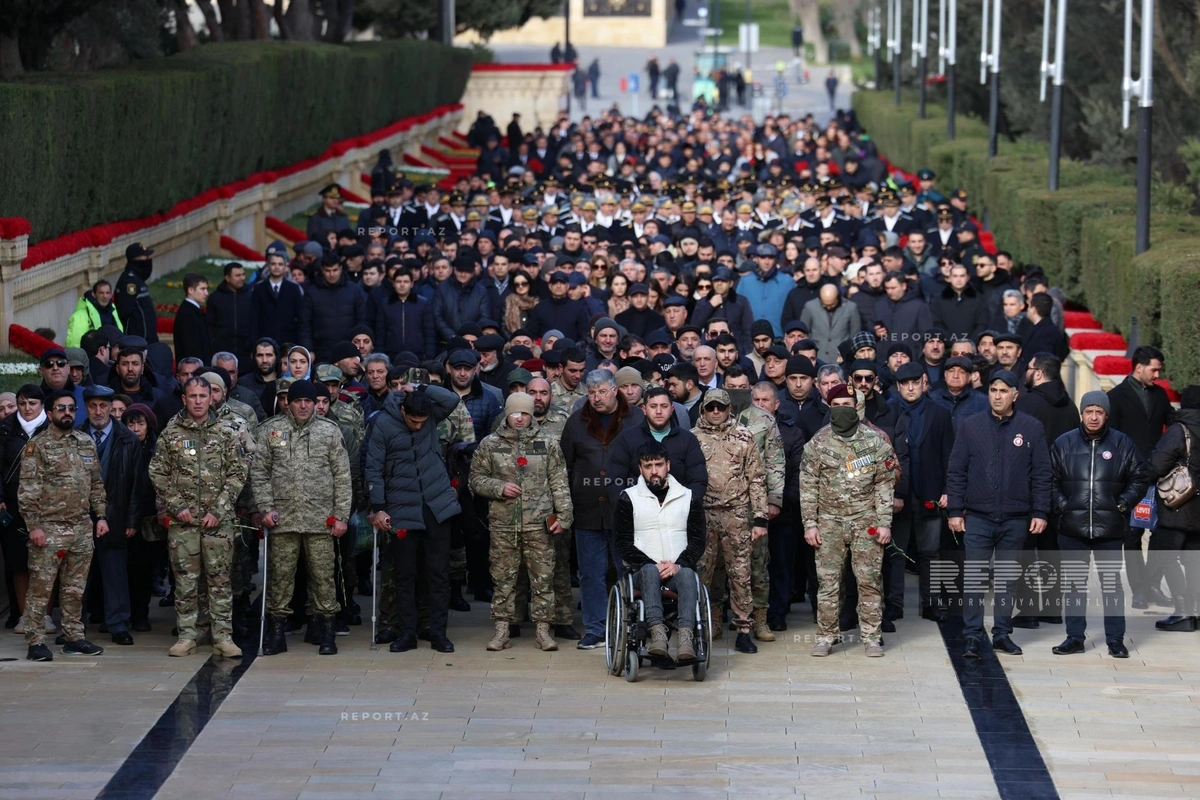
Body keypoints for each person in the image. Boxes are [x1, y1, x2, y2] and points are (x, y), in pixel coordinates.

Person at [946, 370, 1052, 659]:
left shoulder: (1031, 428)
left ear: (1015, 394)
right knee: (974, 578)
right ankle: (972, 635)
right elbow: (957, 471)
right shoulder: (971, 426)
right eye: (993, 390)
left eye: (1004, 391)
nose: (997, 395)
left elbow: (1042, 473)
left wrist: (1040, 510)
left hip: (1016, 517)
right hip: (978, 516)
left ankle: (1002, 634)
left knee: (1007, 579)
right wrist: (955, 509)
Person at [149, 377, 248, 659]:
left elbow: (238, 473)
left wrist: (218, 509)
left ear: (211, 397)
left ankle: (223, 636)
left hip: (219, 522)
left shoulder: (226, 431)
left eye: (203, 396)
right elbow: (158, 472)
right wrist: (176, 505)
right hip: (184, 523)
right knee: (185, 581)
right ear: (184, 399)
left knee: (219, 580)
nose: (198, 401)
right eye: (192, 396)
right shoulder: (171, 433)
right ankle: (187, 635)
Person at [252, 379, 352, 656]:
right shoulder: (272, 431)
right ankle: (275, 635)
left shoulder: (329, 432)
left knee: (323, 578)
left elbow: (343, 477)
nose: (304, 405)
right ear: (288, 403)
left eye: (309, 401)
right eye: (298, 401)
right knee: (280, 579)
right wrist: (265, 507)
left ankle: (326, 633)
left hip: (321, 520)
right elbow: (259, 473)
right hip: (283, 519)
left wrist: (341, 515)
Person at [469, 392, 573, 653]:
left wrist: (564, 516)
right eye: (515, 413)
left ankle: (543, 630)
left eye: (525, 413)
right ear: (507, 414)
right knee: (503, 579)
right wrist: (499, 487)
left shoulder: (547, 443)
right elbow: (476, 479)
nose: (520, 418)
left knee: (543, 579)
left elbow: (559, 482)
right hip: (504, 525)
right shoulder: (490, 444)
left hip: (539, 525)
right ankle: (502, 629)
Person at [363, 387, 462, 654]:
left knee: (439, 574)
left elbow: (452, 399)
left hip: (436, 505)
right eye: (413, 421)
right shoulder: (382, 423)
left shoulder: (429, 414)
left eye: (423, 422)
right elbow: (373, 468)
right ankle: (407, 632)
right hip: (401, 507)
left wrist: (422, 388)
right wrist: (379, 507)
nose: (419, 426)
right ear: (403, 410)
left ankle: (438, 633)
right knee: (404, 574)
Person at [801, 383, 898, 658]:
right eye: (837, 404)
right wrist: (810, 524)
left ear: (857, 406)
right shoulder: (818, 442)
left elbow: (884, 485)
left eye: (848, 403)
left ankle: (871, 637)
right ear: (829, 408)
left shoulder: (875, 441)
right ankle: (826, 636)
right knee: (828, 583)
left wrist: (884, 523)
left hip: (865, 520)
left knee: (869, 581)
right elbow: (808, 485)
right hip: (829, 522)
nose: (843, 408)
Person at [1050, 391, 1147, 657]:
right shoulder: (1064, 443)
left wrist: (1123, 504)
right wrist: (1062, 505)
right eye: (1089, 411)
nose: (1094, 417)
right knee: (1074, 585)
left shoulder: (1122, 443)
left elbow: (1140, 476)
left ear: (1106, 414)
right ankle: (1074, 638)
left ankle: (1115, 639)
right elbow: (1050, 479)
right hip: (1072, 527)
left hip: (1110, 528)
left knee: (1111, 584)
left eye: (1099, 412)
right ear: (1082, 413)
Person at [19, 389, 109, 661]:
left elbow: (95, 482)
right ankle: (35, 641)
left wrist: (101, 515)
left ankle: (74, 636)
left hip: (81, 527)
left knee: (75, 588)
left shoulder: (84, 442)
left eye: (71, 408)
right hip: (49, 528)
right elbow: (28, 490)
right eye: (61, 408)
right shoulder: (38, 446)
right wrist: (34, 526)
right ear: (49, 413)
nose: (67, 413)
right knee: (41, 588)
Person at [560, 369, 645, 649]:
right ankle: (595, 628)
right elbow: (566, 465)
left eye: (602, 392)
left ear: (614, 390)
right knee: (590, 572)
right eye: (591, 392)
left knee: (627, 570)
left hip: (625, 510)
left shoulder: (636, 418)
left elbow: (646, 462)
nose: (596, 398)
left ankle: (631, 624)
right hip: (587, 510)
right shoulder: (576, 422)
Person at [613, 441, 706, 663]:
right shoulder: (628, 497)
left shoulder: (688, 497)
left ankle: (686, 637)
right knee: (649, 571)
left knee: (686, 573)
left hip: (676, 573)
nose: (654, 471)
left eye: (659, 464)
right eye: (648, 466)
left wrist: (678, 564)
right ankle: (657, 633)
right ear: (640, 469)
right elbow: (622, 541)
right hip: (641, 573)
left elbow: (698, 540)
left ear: (668, 465)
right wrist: (652, 565)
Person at [692, 388, 769, 654]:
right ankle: (701, 626)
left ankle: (744, 629)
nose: (716, 412)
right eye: (711, 407)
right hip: (703, 513)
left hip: (737, 513)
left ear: (729, 409)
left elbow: (756, 478)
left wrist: (760, 518)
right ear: (703, 409)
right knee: (703, 571)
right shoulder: (693, 438)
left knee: (740, 573)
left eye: (721, 407)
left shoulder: (744, 436)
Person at [1107, 345, 1173, 610]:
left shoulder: (1160, 395)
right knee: (1132, 535)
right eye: (1154, 369)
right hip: (1129, 478)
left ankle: (1153, 585)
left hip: (1158, 475)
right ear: (1139, 367)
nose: (1157, 374)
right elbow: (1111, 439)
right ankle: (1140, 590)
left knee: (1160, 531)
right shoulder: (1116, 396)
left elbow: (1172, 422)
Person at [78, 384, 143, 646]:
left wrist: (132, 519)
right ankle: (74, 625)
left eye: (103, 406)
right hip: (80, 515)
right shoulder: (76, 434)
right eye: (93, 406)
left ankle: (118, 624)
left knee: (115, 571)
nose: (98, 411)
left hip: (115, 514)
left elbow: (137, 484)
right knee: (77, 574)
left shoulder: (127, 438)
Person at [890, 362, 955, 622]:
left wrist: (948, 490)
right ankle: (894, 604)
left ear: (924, 383)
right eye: (905, 383)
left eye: (915, 382)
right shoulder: (891, 411)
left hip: (930, 493)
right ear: (897, 386)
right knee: (896, 551)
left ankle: (931, 603)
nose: (910, 387)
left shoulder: (940, 414)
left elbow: (949, 455)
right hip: (898, 495)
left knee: (930, 552)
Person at [1145, 385, 1200, 632]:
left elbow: (1157, 464)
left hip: (1178, 505)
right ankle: (1195, 610)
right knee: (1193, 559)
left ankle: (1182, 612)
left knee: (1167, 556)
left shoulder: (1179, 430)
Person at [0, 385, 49, 633]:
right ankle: (25, 615)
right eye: (22, 403)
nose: (27, 409)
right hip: (14, 506)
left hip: (50, 508)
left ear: (42, 405)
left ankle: (47, 616)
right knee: (19, 564)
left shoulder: (52, 427)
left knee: (47, 564)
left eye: (32, 403)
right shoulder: (6, 428)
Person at [300, 257, 368, 362]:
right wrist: (308, 349)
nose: (332, 274)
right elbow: (304, 323)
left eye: (335, 270)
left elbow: (362, 320)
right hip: (321, 351)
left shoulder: (354, 290)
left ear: (340, 269)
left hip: (348, 350)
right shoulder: (312, 293)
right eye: (328, 270)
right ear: (322, 270)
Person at [250, 243, 305, 347]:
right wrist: (254, 344)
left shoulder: (294, 289)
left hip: (288, 342)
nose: (276, 267)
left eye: (280, 264)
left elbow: (301, 319)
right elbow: (254, 319)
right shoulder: (258, 289)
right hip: (264, 343)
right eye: (273, 264)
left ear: (286, 267)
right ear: (268, 265)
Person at [206, 262, 254, 366]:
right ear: (227, 278)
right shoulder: (215, 298)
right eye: (238, 275)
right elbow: (210, 325)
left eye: (243, 274)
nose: (242, 278)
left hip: (247, 353)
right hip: (222, 353)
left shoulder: (251, 296)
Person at [114, 242, 158, 344]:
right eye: (145, 256)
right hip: (138, 341)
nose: (148, 259)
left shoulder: (138, 279)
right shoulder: (129, 281)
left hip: (147, 338)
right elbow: (125, 311)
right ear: (135, 259)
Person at [66, 280, 123, 348]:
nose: (105, 296)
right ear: (94, 294)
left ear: (111, 295)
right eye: (101, 293)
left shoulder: (112, 309)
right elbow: (75, 343)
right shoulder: (81, 314)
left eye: (107, 293)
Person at [172, 272, 213, 364]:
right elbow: (191, 348)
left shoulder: (194, 311)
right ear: (190, 290)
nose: (206, 293)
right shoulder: (187, 314)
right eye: (202, 289)